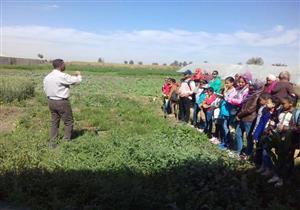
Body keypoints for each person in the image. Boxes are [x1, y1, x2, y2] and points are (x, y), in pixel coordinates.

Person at [43, 59, 82, 148]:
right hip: (61, 102)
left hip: (51, 101)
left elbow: (45, 89)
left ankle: (52, 143)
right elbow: (76, 81)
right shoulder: (62, 76)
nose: (65, 66)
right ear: (61, 65)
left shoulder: (47, 77)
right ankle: (66, 143)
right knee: (68, 122)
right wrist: (78, 75)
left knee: (54, 122)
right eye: (64, 64)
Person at [219, 77, 236, 150]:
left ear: (232, 83)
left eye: (227, 83)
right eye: (225, 83)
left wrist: (225, 92)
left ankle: (228, 143)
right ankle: (225, 141)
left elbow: (229, 100)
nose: (226, 84)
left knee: (226, 128)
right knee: (224, 127)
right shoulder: (228, 90)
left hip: (228, 111)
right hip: (224, 110)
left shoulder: (234, 91)